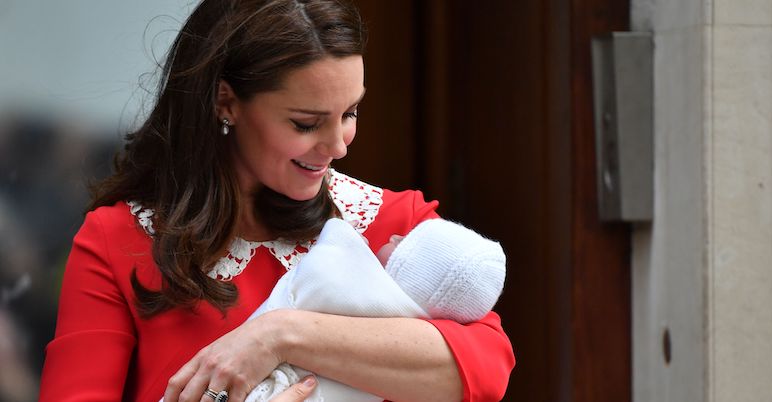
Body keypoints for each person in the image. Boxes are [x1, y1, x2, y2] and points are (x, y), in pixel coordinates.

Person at [39, 1, 515, 401]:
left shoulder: (391, 222)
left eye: (349, 113)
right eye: (306, 123)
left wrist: (279, 336)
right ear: (226, 103)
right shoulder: (117, 240)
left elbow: (485, 368)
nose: (339, 145)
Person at [240, 217, 506, 401]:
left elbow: (331, 249)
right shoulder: (414, 325)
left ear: (410, 270)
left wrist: (279, 335)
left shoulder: (356, 287)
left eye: (403, 243)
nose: (394, 234)